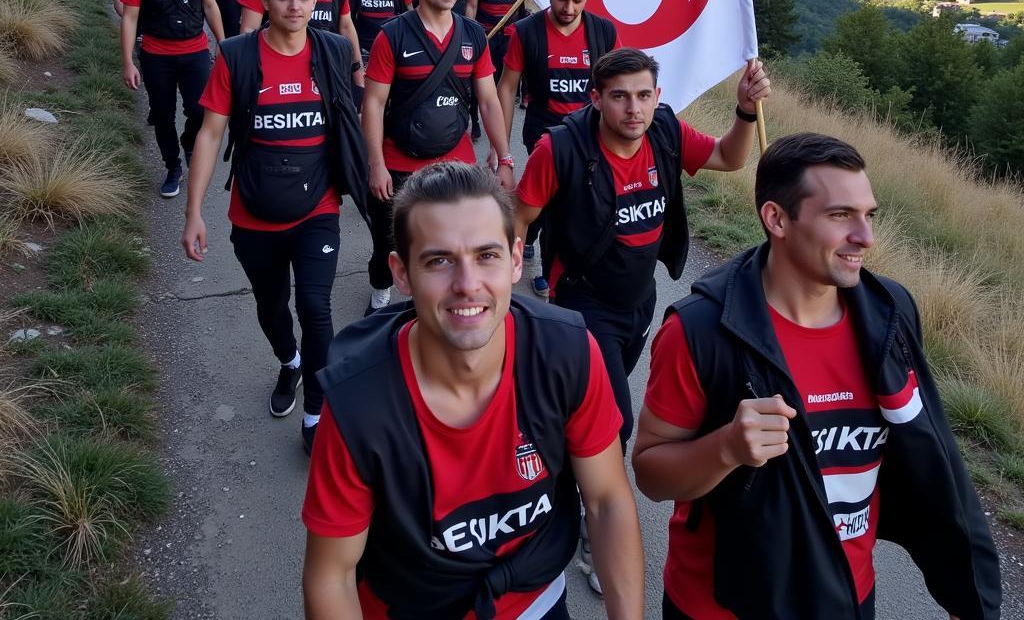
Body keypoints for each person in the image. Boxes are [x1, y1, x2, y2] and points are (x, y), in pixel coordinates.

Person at [632, 132, 1000, 620]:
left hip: (844, 596)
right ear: (777, 219)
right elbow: (651, 475)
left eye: (869, 215)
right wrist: (725, 448)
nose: (865, 237)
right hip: (719, 606)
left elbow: (933, 459)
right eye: (840, 215)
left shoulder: (890, 315)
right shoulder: (700, 331)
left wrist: (963, 592)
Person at [302, 161, 645, 620]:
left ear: (516, 260)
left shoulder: (567, 352)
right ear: (401, 273)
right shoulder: (357, 403)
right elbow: (332, 576)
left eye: (487, 256)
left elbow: (605, 501)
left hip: (535, 601)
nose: (467, 285)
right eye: (439, 260)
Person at [516, 48, 770, 453]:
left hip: (639, 299)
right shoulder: (560, 149)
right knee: (616, 420)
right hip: (583, 300)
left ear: (657, 94)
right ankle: (587, 494)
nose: (634, 108)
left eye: (643, 95)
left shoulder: (665, 133)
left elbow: (728, 156)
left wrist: (744, 111)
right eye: (619, 96)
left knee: (587, 404)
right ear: (596, 99)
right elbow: (520, 214)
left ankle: (559, 437)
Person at [182, 0, 368, 454]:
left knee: (315, 305)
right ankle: (288, 363)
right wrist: (193, 211)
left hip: (318, 206)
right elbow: (210, 133)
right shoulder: (238, 56)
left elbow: (357, 115)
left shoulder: (331, 50)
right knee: (271, 304)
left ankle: (316, 412)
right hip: (255, 210)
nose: (295, 6)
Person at [361, 0, 515, 313]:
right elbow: (374, 103)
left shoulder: (473, 35)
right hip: (399, 164)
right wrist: (376, 163)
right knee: (390, 244)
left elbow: (489, 100)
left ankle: (437, 307)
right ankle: (382, 287)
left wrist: (505, 156)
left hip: (455, 162)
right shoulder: (393, 36)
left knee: (450, 243)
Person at [497, 0, 618, 296]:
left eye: (578, 0)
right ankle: (531, 237)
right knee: (542, 203)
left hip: (589, 136)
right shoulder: (526, 32)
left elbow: (618, 82)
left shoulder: (603, 33)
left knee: (569, 207)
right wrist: (502, 153)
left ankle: (552, 269)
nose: (568, 7)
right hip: (544, 133)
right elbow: (506, 88)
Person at [120, 0, 224, 197]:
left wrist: (223, 45)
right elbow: (129, 17)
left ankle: (189, 141)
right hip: (156, 55)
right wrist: (128, 61)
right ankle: (173, 166)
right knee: (163, 114)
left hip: (196, 52)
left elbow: (211, 6)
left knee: (200, 110)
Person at [465, 0, 528, 139]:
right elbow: (472, 6)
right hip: (484, 36)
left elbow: (523, 9)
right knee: (478, 82)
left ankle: (500, 125)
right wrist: (469, 35)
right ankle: (474, 119)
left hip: (510, 39)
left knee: (504, 85)